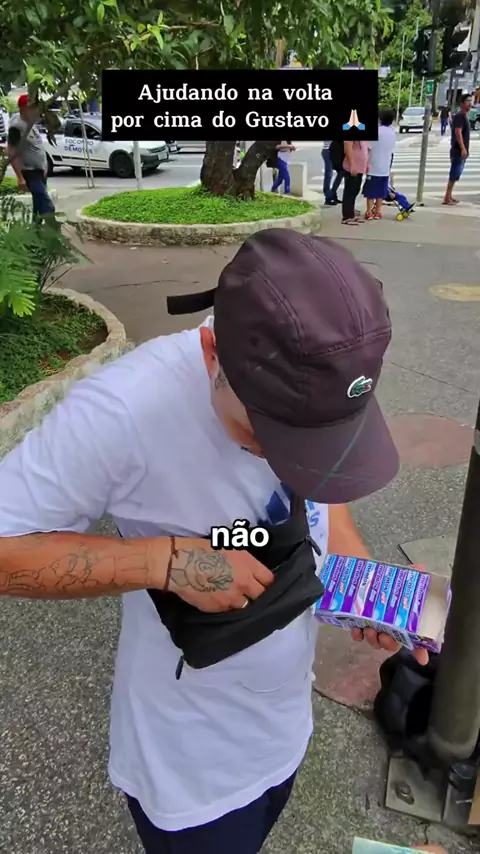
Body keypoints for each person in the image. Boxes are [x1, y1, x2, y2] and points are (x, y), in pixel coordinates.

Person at [0, 229, 427, 853]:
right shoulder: (123, 410)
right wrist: (164, 561)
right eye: (270, 436)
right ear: (211, 354)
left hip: (284, 726)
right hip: (192, 766)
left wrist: (354, 569)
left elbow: (323, 487)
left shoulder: (317, 365)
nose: (288, 460)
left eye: (315, 441)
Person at [7, 94, 56, 221]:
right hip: (30, 172)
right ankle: (53, 230)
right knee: (47, 206)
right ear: (24, 108)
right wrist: (20, 177)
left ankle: (35, 229)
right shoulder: (17, 126)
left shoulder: (30, 122)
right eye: (32, 107)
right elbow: (12, 151)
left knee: (38, 207)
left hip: (40, 172)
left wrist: (44, 166)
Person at [364, 108, 396, 221]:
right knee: (380, 192)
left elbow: (368, 148)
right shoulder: (392, 133)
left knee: (370, 192)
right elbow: (391, 150)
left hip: (373, 166)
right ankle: (378, 212)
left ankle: (369, 212)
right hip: (385, 166)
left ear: (380, 119)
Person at [443, 93, 472, 206]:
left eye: (471, 101)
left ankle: (449, 196)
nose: (470, 103)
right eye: (467, 101)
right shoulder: (460, 116)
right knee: (454, 174)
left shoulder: (464, 116)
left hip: (460, 150)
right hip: (457, 150)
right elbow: (458, 132)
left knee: (456, 175)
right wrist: (463, 148)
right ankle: (447, 197)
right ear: (462, 103)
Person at [342, 139, 369, 225]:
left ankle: (351, 214)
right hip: (352, 167)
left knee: (355, 190)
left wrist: (366, 164)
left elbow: (365, 147)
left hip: (360, 167)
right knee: (350, 191)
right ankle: (347, 216)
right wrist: (352, 164)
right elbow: (347, 146)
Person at [322, 140, 344, 205]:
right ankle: (328, 197)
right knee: (329, 174)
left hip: (335, 150)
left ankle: (332, 194)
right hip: (328, 150)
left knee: (341, 172)